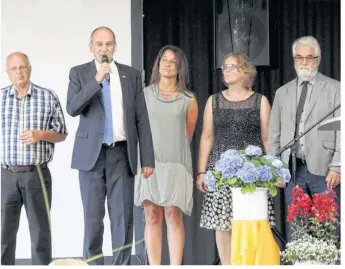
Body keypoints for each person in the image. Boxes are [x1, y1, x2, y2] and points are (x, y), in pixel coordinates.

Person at [66, 26, 155, 265]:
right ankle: (93, 264)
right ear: (91, 47)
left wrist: (147, 159)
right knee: (93, 219)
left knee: (122, 218)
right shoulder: (79, 73)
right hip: (90, 157)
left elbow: (141, 118)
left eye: (108, 44)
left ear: (115, 47)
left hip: (121, 154)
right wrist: (96, 80)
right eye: (99, 44)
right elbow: (73, 108)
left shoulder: (131, 74)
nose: (104, 48)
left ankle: (121, 265)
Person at [196, 52, 273, 265]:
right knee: (222, 224)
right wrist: (202, 171)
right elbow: (207, 136)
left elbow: (267, 138)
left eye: (232, 66)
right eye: (225, 66)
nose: (226, 69)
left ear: (245, 70)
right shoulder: (214, 101)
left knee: (251, 222)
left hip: (252, 172)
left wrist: (274, 170)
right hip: (220, 171)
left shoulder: (260, 101)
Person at [268, 36, 341, 240]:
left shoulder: (336, 89)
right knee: (298, 230)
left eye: (309, 57)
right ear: (294, 60)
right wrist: (275, 169)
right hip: (291, 170)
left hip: (325, 170)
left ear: (318, 59)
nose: (304, 62)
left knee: (328, 228)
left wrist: (338, 166)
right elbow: (274, 134)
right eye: (299, 57)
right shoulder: (283, 92)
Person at [1, 52, 67, 265]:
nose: (19, 72)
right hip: (6, 175)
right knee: (3, 233)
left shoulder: (47, 96)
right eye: (14, 69)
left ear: (30, 68)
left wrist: (41, 135)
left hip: (36, 174)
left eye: (22, 67)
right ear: (7, 72)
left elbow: (61, 133)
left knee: (40, 233)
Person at [134, 45, 198, 265]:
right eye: (164, 60)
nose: (168, 64)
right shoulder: (143, 94)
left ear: (180, 67)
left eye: (173, 61)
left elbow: (188, 134)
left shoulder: (188, 99)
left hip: (177, 164)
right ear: (158, 64)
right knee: (151, 216)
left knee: (173, 215)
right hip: (149, 164)